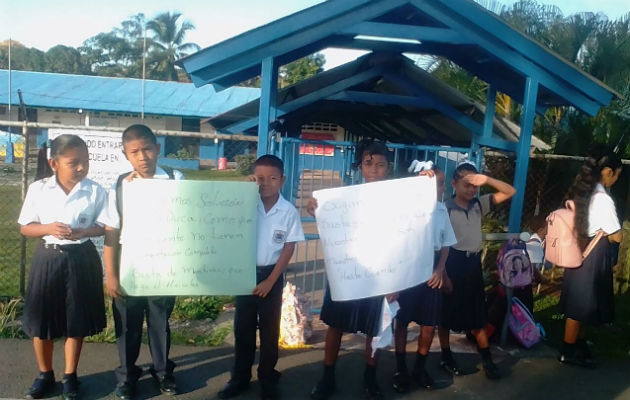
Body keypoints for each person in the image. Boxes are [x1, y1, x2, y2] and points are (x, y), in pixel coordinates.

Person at [18, 134, 109, 400]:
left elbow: (103, 226)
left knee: (75, 320)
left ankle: (70, 375)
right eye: (74, 162)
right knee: (42, 320)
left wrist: (83, 231)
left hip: (82, 259)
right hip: (48, 258)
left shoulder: (94, 190)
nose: (82, 167)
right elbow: (25, 227)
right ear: (54, 163)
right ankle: (44, 374)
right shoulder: (39, 189)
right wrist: (48, 228)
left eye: (86, 161)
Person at [309, 140, 395, 400]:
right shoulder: (344, 198)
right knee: (336, 325)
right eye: (369, 164)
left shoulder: (398, 200)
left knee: (374, 329)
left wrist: (396, 282)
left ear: (388, 168)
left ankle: (370, 378)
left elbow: (405, 239)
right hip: (345, 273)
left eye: (380, 165)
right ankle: (328, 376)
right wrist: (315, 211)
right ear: (360, 166)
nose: (374, 170)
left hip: (379, 275)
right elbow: (330, 222)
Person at [103, 124, 184, 400]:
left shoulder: (176, 179)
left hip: (163, 260)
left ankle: (162, 372)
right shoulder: (120, 185)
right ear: (126, 155)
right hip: (130, 262)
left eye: (148, 149)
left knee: (160, 320)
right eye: (134, 152)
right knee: (127, 322)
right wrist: (111, 275)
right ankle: (127, 376)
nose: (142, 157)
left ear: (158, 149)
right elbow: (112, 232)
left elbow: (193, 215)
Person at [218, 154, 304, 400]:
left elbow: (288, 247)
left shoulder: (288, 212)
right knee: (243, 329)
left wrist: (270, 281)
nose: (265, 183)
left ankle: (267, 375)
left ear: (282, 180)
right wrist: (242, 194)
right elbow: (226, 221)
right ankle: (240, 378)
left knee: (269, 331)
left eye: (272, 178)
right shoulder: (247, 204)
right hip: (245, 273)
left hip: (271, 275)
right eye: (260, 178)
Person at [438, 161, 515, 380]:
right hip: (452, 262)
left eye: (474, 185)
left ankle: (487, 359)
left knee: (477, 314)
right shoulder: (445, 208)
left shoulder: (479, 204)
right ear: (454, 184)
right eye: (466, 184)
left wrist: (487, 180)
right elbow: (440, 242)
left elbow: (510, 191)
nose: (471, 189)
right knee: (446, 313)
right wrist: (443, 274)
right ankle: (446, 356)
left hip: (472, 265)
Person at [392, 161, 456, 393]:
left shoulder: (441, 211)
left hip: (431, 273)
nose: (436, 189)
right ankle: (400, 368)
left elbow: (446, 245)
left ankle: (420, 367)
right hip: (407, 270)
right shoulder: (405, 207)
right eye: (430, 184)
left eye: (439, 185)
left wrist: (440, 270)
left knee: (428, 324)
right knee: (402, 322)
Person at [558, 146, 623, 367]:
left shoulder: (582, 190)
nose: (616, 179)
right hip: (593, 254)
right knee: (580, 306)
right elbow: (617, 236)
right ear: (607, 171)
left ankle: (578, 344)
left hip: (579, 250)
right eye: (617, 174)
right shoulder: (602, 198)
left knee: (582, 303)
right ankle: (568, 350)